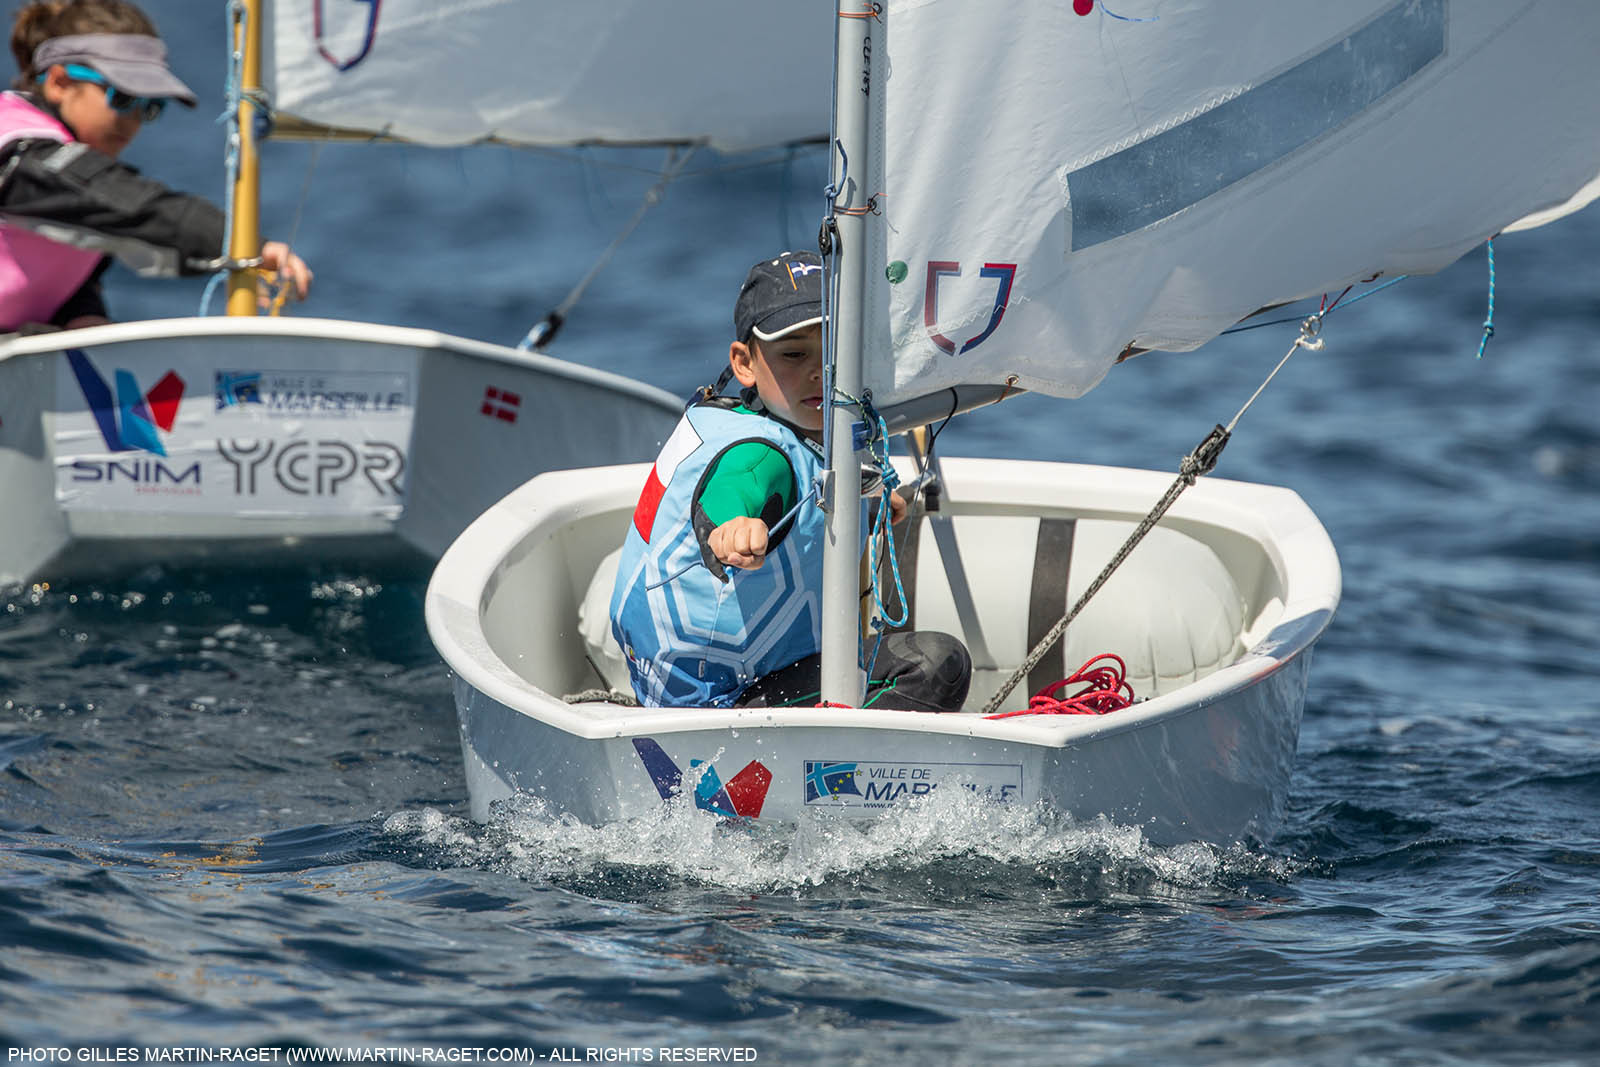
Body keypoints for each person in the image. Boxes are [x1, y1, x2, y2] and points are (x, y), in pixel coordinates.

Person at [610, 250, 972, 712]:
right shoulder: (760, 453)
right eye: (794, 354)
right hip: (722, 704)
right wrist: (732, 529)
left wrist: (871, 506)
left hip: (671, 683)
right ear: (744, 363)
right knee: (937, 664)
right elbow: (732, 488)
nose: (820, 371)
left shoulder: (735, 420)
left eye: (838, 350)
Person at [0, 0, 311, 333]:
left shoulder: (71, 193)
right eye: (122, 98)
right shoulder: (15, 145)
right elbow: (127, 203)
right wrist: (244, 245)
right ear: (60, 83)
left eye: (149, 107)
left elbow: (63, 266)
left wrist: (83, 316)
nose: (132, 120)